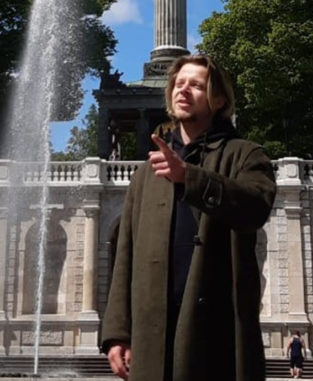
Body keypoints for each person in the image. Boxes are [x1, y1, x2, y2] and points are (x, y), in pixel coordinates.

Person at [100, 54, 277, 381]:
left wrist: (190, 178)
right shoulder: (145, 174)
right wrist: (117, 333)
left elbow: (257, 207)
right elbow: (125, 255)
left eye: (196, 85)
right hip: (152, 338)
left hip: (218, 336)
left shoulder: (244, 155)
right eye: (179, 84)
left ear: (219, 99)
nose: (184, 91)